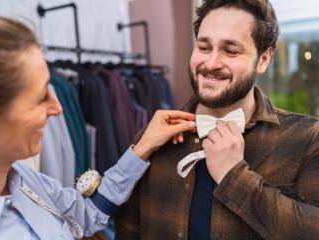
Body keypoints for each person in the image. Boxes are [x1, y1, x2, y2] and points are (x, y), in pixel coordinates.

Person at [0, 12, 197, 240]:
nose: (58, 108)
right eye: (42, 97)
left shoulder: (22, 179)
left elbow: (83, 216)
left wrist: (142, 148)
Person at [115, 0, 319, 239]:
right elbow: (127, 231)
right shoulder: (152, 137)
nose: (211, 64)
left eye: (231, 51)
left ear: (264, 59)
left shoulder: (307, 139)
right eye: (203, 47)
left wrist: (235, 177)